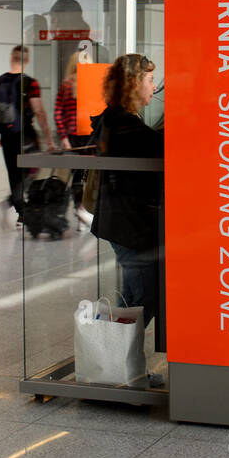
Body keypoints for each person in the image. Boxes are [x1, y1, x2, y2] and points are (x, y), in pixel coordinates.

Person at [90, 54, 164, 338]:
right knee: (144, 297)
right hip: (128, 226)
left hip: (124, 224)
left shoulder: (119, 118)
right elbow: (158, 146)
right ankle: (111, 363)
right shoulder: (124, 124)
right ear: (134, 83)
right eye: (149, 79)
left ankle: (113, 364)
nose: (153, 86)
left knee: (134, 298)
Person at [0, 46, 55, 222]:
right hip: (25, 133)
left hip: (6, 133)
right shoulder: (29, 83)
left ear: (12, 58)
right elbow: (39, 111)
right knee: (32, 168)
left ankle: (20, 211)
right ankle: (13, 204)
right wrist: (48, 137)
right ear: (27, 61)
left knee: (13, 172)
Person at [54, 51, 91, 224]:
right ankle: (81, 210)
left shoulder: (66, 84)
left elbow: (57, 111)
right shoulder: (92, 84)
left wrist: (63, 136)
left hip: (72, 136)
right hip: (88, 135)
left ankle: (79, 209)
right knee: (84, 175)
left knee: (73, 174)